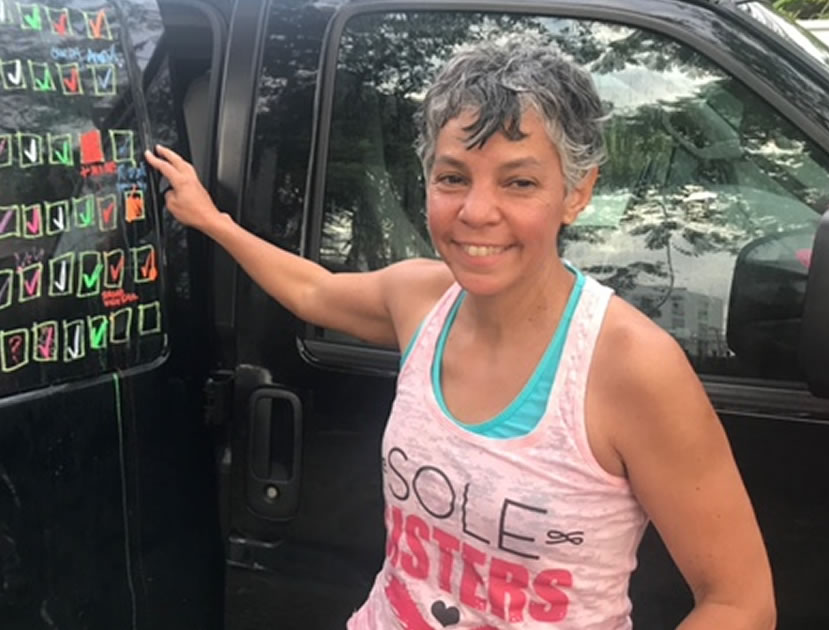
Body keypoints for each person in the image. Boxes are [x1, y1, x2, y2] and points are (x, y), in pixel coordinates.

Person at [145, 40, 774, 630]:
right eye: (452, 178)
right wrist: (211, 220)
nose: (476, 211)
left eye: (519, 182)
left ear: (577, 192)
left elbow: (739, 601)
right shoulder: (422, 300)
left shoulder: (627, 365)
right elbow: (311, 289)